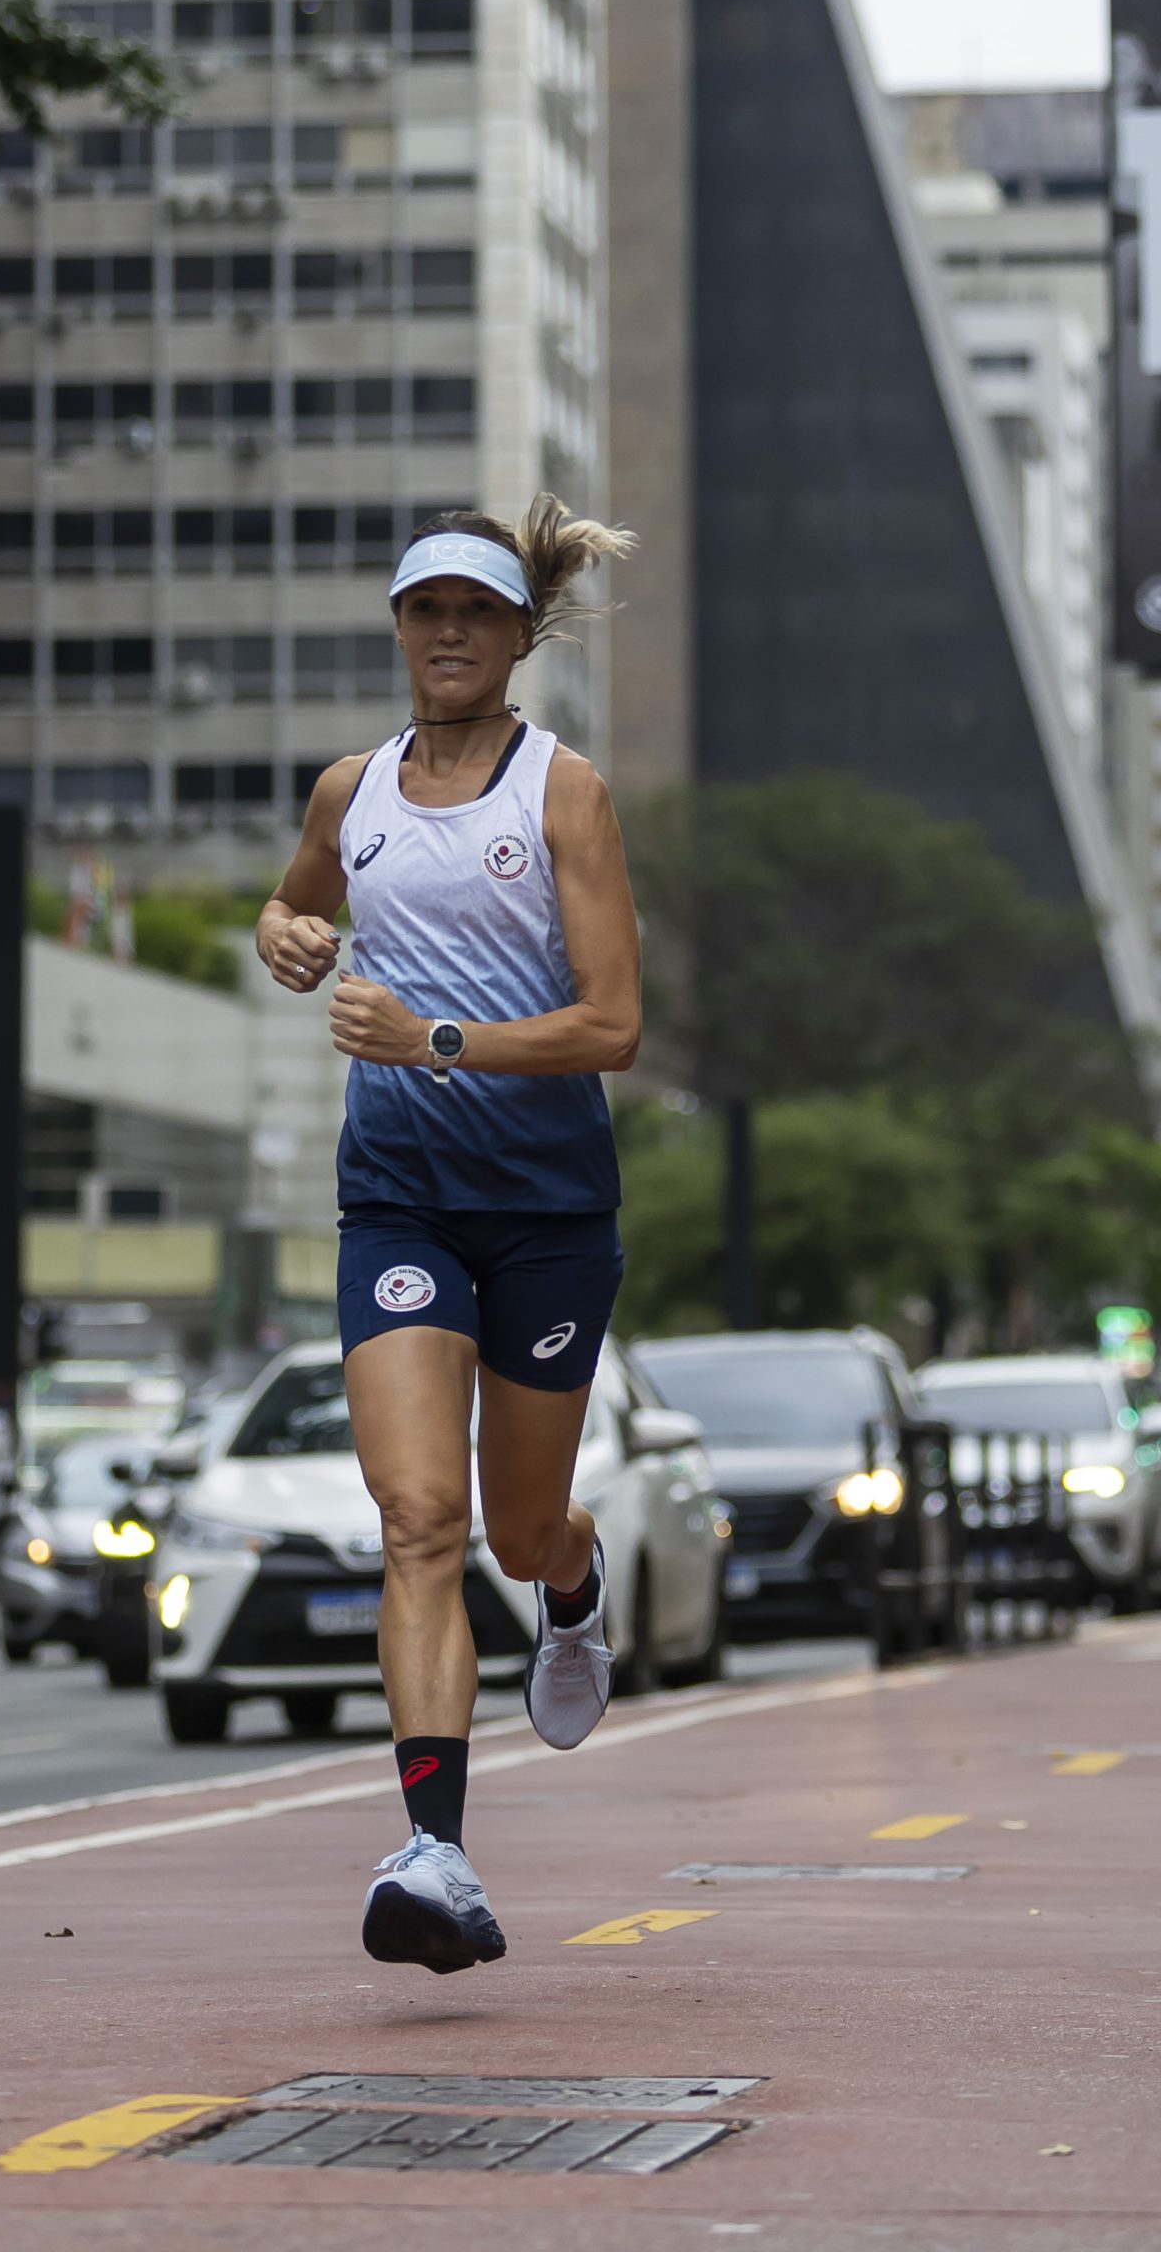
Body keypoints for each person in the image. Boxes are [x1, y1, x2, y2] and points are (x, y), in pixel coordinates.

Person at [256, 494, 640, 1975]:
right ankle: (436, 1853)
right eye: (429, 610)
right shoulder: (349, 791)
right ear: (402, 628)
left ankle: (573, 1581)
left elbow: (612, 1025)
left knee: (516, 1526)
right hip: (398, 1201)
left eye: (479, 611)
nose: (452, 633)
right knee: (419, 1518)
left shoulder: (565, 794)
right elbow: (295, 911)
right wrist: (286, 937)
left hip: (547, 1212)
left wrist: (436, 1038)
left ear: (520, 634)